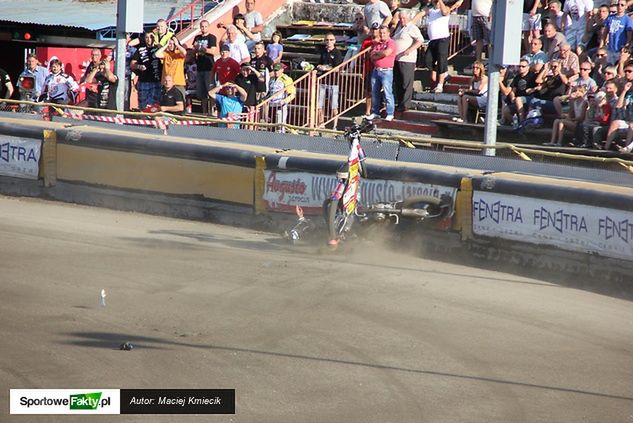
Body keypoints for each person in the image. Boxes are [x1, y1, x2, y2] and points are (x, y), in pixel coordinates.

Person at [417, 0, 460, 93]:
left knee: (441, 59)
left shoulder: (446, 9)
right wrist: (411, 23)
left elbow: (444, 12)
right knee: (428, 60)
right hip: (433, 40)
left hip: (442, 38)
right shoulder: (431, 10)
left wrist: (440, 1)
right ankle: (444, 73)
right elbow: (420, 14)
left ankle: (440, 84)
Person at [393, 9, 424, 112]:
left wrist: (409, 49)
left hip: (407, 59)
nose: (402, 20)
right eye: (401, 18)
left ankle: (406, 104)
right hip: (397, 59)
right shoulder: (398, 28)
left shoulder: (412, 27)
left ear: (408, 18)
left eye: (404, 18)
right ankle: (400, 102)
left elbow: (420, 40)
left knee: (406, 82)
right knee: (398, 82)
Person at [367, 25, 396, 121]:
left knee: (388, 93)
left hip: (386, 71)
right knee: (374, 93)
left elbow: (386, 53)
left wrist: (378, 54)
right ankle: (375, 112)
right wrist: (379, 54)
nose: (382, 35)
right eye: (381, 33)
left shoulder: (391, 43)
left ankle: (390, 113)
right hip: (376, 70)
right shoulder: (377, 43)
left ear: (388, 33)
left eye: (384, 33)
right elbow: (372, 55)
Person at [316, 33, 344, 128]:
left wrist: (326, 68)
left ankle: (334, 126)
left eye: (331, 40)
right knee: (320, 104)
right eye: (327, 40)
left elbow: (338, 68)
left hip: (334, 82)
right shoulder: (323, 52)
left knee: (334, 105)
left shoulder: (337, 53)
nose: (329, 42)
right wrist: (320, 67)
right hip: (323, 81)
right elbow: (319, 64)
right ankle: (321, 123)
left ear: (334, 41)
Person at [130, 32, 163, 111]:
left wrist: (157, 43)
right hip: (143, 81)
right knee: (142, 105)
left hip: (156, 81)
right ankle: (143, 121)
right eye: (147, 37)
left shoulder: (158, 48)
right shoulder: (140, 50)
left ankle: (152, 121)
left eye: (151, 37)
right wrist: (139, 66)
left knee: (154, 106)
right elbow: (132, 64)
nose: (149, 39)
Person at [502, 58, 537, 125]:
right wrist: (512, 97)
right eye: (519, 66)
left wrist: (532, 89)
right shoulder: (517, 77)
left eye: (523, 66)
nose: (521, 68)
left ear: (528, 67)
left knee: (518, 99)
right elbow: (513, 90)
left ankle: (522, 122)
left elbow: (538, 85)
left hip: (529, 99)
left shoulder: (532, 76)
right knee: (506, 111)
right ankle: (516, 124)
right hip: (518, 100)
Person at [193, 19, 218, 114]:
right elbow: (194, 49)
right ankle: (204, 112)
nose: (203, 28)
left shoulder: (212, 38)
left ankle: (212, 111)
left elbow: (213, 51)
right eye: (202, 26)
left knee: (211, 91)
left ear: (208, 27)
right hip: (199, 67)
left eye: (205, 26)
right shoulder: (197, 37)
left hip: (209, 68)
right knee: (201, 92)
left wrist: (200, 48)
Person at [266, 63, 296, 132]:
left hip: (280, 106)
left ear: (282, 70)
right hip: (271, 105)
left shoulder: (286, 79)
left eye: (278, 70)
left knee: (279, 127)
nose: (276, 72)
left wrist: (285, 101)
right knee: (270, 127)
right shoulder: (272, 79)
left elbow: (292, 93)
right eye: (275, 70)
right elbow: (270, 92)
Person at [361, 23, 381, 117]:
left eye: (376, 29)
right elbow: (362, 54)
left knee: (380, 90)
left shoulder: (383, 40)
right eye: (373, 29)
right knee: (369, 91)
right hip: (369, 68)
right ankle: (368, 111)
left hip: (380, 68)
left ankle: (378, 109)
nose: (374, 31)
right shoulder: (366, 41)